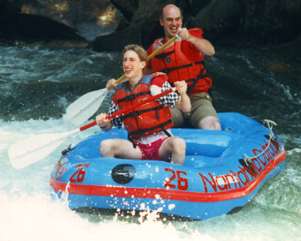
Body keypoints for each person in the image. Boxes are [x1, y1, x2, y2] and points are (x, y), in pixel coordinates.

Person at [96, 44, 191, 165]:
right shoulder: (120, 93)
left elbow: (186, 108)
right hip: (137, 147)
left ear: (142, 64)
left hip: (161, 144)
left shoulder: (156, 84)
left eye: (132, 60)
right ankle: (116, 180)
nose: (126, 64)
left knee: (178, 143)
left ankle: (175, 178)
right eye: (125, 60)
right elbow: (110, 125)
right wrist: (103, 123)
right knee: (106, 146)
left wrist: (183, 93)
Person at [147, 4, 221, 130]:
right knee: (156, 127)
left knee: (212, 126)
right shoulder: (154, 50)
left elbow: (211, 51)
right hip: (173, 100)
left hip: (198, 98)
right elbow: (144, 77)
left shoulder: (192, 36)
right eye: (169, 19)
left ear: (181, 20)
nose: (174, 23)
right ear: (162, 22)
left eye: (177, 19)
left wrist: (190, 38)